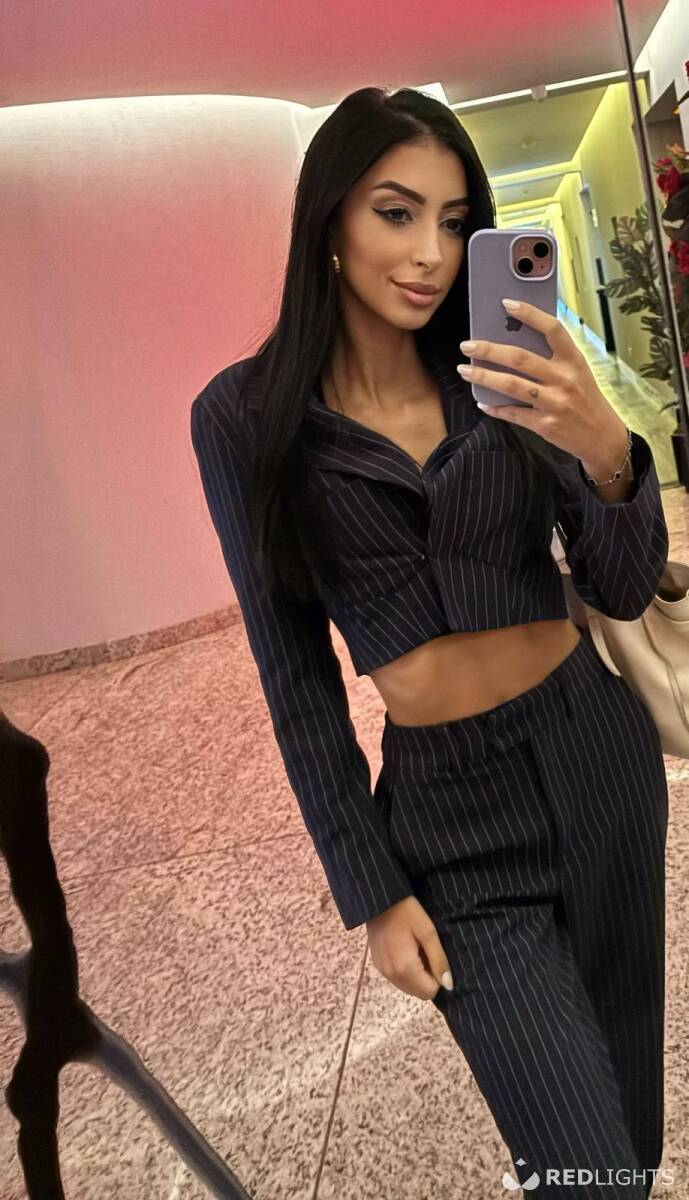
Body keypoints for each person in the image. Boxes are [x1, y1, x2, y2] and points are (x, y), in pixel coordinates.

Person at [190, 87, 669, 1199]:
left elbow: (619, 582)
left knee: (628, 1127)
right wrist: (370, 888)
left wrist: (604, 447)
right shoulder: (245, 417)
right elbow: (292, 673)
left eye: (455, 223)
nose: (430, 255)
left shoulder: (501, 369)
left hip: (595, 756)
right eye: (395, 213)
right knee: (587, 1172)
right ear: (328, 219)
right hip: (449, 822)